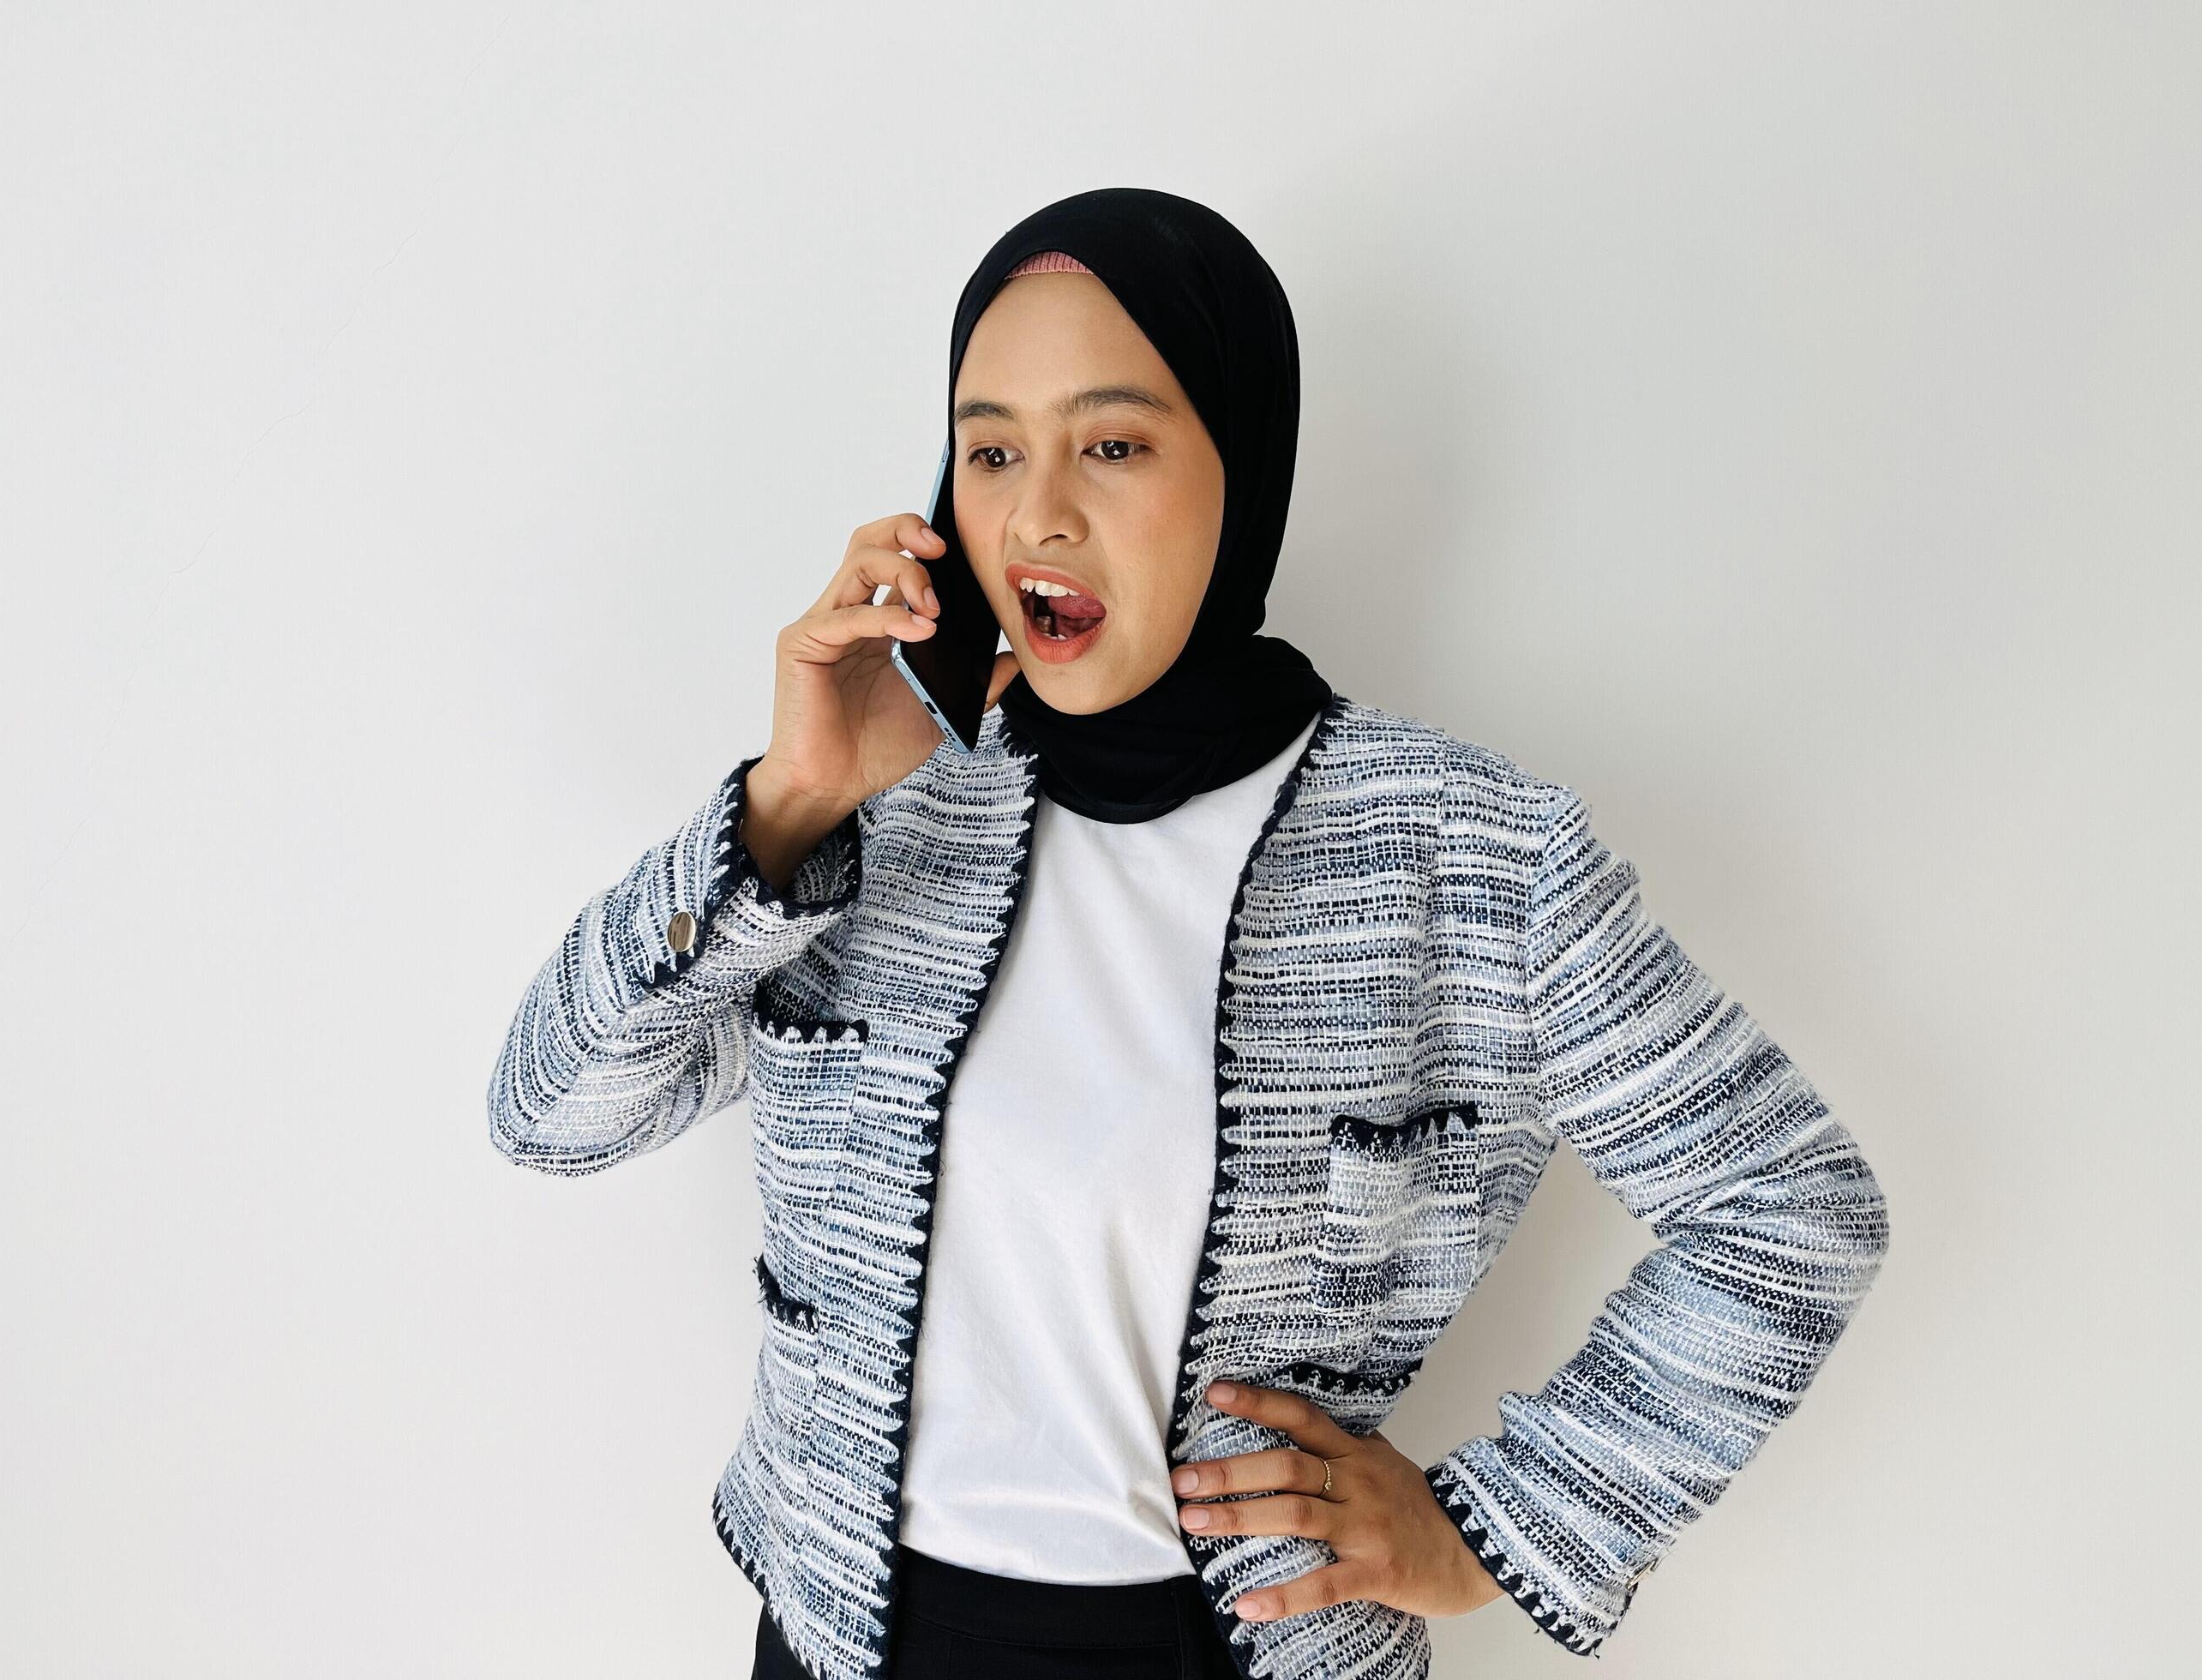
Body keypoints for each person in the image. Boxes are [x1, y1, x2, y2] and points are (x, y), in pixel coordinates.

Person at [488, 188, 1891, 1680]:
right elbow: (548, 1115)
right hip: (842, 1634)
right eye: (990, 450)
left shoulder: (1465, 855)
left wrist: (1496, 1530)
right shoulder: (883, 816)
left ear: (1243, 469)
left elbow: (1789, 1207)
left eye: (1112, 443)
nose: (1037, 515)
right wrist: (785, 805)